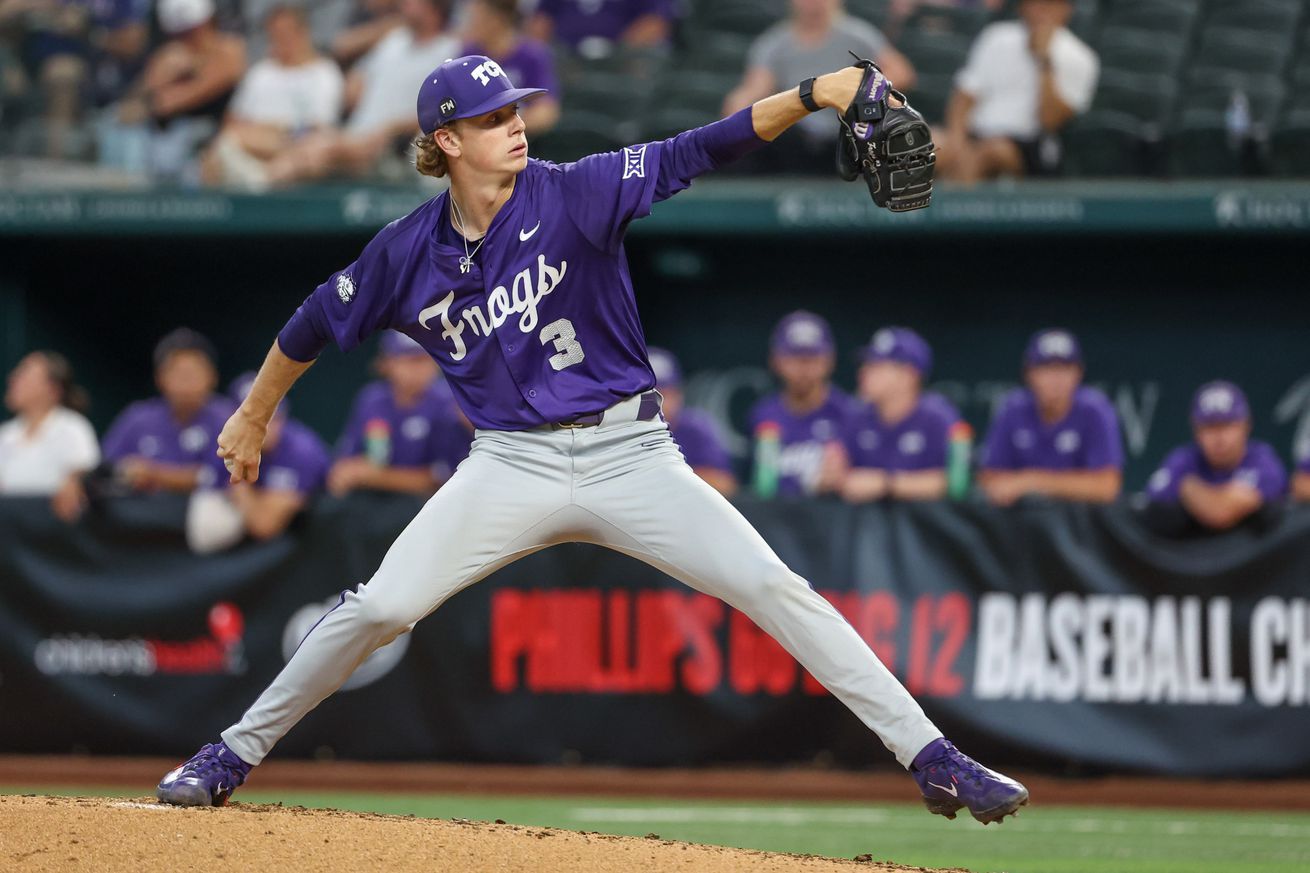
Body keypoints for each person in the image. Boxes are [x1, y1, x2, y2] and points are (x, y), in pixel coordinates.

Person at [154, 53, 1028, 826]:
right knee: (380, 608)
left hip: (633, 455)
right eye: (494, 118)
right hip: (509, 463)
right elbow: (313, 321)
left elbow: (700, 148)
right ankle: (228, 753)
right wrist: (253, 411)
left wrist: (811, 93)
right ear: (446, 141)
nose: (517, 124)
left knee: (774, 585)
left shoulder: (576, 188)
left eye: (518, 109)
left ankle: (933, 756)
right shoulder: (404, 252)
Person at [262, 0, 456, 185]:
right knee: (303, 143)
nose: (404, 3)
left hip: (387, 145)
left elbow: (440, 110)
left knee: (318, 151)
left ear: (434, 6)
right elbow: (356, 82)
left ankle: (256, 190)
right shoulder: (394, 40)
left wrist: (391, 128)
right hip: (355, 135)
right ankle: (257, 188)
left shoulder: (449, 50)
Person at [724, 0, 914, 174]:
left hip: (846, 131)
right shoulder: (774, 44)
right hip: (795, 134)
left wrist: (860, 91)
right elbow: (756, 87)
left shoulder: (857, 35)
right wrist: (737, 110)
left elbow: (901, 74)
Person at [935, 0, 1098, 184]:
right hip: (977, 134)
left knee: (991, 152)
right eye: (1033, 4)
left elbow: (1051, 121)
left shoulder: (1081, 57)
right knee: (928, 144)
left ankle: (954, 209)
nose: (1039, 11)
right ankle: (906, 211)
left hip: (1030, 148)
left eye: (1048, 5)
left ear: (1066, 10)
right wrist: (958, 142)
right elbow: (964, 97)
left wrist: (1044, 61)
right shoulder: (996, 37)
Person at [201, 4, 345, 190]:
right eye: (275, 35)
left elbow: (318, 128)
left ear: (303, 33)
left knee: (303, 155)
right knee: (216, 152)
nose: (281, 41)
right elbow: (232, 122)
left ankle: (259, 183)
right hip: (247, 152)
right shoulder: (260, 73)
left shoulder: (325, 73)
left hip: (294, 153)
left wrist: (269, 132)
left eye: (286, 34)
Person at [978, 328, 1121, 506]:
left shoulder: (1095, 409)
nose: (1056, 379)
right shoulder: (1013, 408)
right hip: (1022, 523)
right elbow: (990, 479)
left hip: (1080, 526)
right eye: (1047, 369)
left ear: (1079, 373)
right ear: (1029, 374)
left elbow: (1107, 487)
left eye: (1064, 369)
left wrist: (1032, 481)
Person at [109, 0, 247, 181]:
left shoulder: (230, 49)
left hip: (218, 138)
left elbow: (187, 96)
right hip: (171, 142)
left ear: (209, 22)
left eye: (194, 30)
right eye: (182, 33)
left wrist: (191, 71)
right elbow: (130, 107)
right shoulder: (169, 57)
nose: (190, 38)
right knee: (124, 134)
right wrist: (160, 77)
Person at [329, 330, 470, 497]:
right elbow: (346, 459)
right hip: (374, 500)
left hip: (425, 503)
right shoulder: (371, 399)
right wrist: (344, 473)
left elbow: (441, 478)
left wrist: (376, 477)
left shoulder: (450, 402)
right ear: (387, 363)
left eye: (424, 359)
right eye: (408, 360)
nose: (418, 369)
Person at [101, 328, 235, 493]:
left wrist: (153, 473)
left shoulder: (228, 417)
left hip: (204, 506)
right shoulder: (139, 417)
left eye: (193, 372)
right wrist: (128, 472)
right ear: (159, 378)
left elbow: (216, 476)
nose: (186, 381)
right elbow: (106, 466)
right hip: (144, 508)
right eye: (177, 372)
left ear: (213, 376)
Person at [1147, 381, 1287, 532]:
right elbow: (1149, 509)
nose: (1219, 438)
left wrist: (1188, 487)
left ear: (1246, 425)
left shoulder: (1262, 459)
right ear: (1196, 431)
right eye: (1210, 427)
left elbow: (1220, 513)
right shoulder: (1183, 459)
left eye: (1227, 425)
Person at [841, 327, 959, 503]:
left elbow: (955, 482)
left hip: (925, 527)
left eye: (877, 366)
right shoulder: (856, 416)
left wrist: (886, 485)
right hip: (864, 526)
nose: (863, 372)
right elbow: (841, 474)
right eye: (865, 365)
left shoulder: (938, 418)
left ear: (909, 375)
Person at [748, 311, 856, 498]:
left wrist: (843, 479)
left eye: (812, 358)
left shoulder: (848, 413)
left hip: (831, 521)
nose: (803, 368)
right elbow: (762, 487)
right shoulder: (763, 414)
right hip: (775, 521)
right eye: (794, 358)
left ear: (829, 361)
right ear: (776, 361)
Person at [224, 372, 329, 539]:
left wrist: (240, 490)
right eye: (252, 420)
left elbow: (264, 525)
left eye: (270, 417)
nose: (263, 427)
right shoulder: (228, 444)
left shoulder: (301, 452)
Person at [0, 350, 99, 521]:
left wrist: (75, 482)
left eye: (25, 374)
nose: (13, 379)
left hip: (55, 536)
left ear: (52, 389)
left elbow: (87, 473)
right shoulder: (5, 434)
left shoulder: (73, 428)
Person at [648, 346, 736, 497]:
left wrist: (667, 479)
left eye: (666, 394)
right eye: (649, 395)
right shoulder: (617, 430)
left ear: (679, 395)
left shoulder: (695, 429)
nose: (659, 403)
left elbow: (726, 484)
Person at [461, 0, 559, 135]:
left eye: (476, 18)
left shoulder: (532, 55)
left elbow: (546, 112)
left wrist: (502, 125)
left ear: (496, 20)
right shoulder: (468, 56)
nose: (470, 25)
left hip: (522, 138)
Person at [526, 0, 674, 57]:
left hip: (625, 59)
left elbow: (655, 22)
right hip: (567, 60)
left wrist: (620, 54)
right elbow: (540, 21)